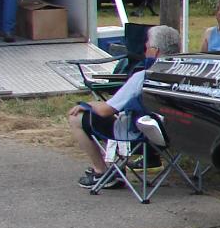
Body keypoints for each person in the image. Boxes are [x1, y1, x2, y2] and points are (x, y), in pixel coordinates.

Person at [67, 24, 182, 189]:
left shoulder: (143, 77)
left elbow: (106, 111)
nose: (145, 50)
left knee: (76, 117)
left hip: (142, 134)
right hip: (179, 133)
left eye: (147, 46)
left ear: (155, 51)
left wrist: (87, 104)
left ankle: (101, 172)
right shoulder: (187, 76)